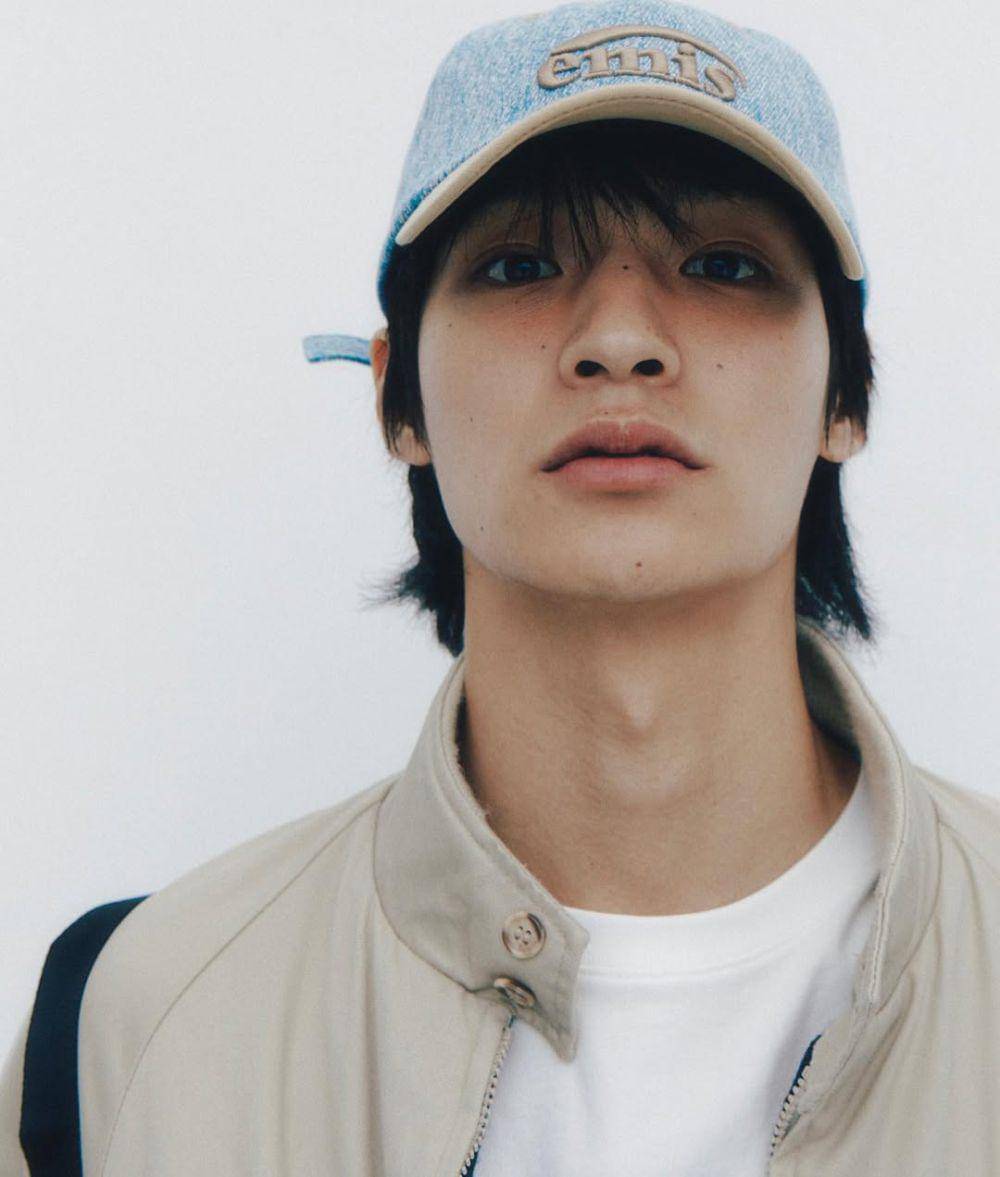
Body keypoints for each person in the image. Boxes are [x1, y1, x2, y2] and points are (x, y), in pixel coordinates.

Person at [3, 1, 999, 1175]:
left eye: (723, 265)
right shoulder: (139, 1014)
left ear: (847, 393)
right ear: (397, 398)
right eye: (520, 265)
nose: (618, 339)